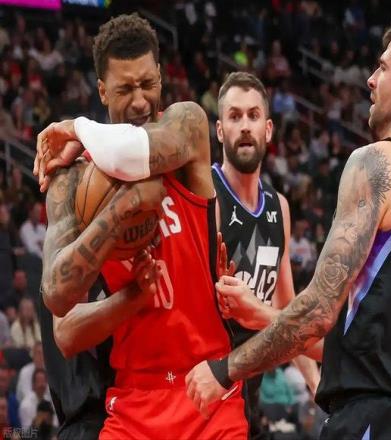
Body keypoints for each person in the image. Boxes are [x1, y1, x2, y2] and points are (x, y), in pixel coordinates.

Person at [186, 20, 391, 439]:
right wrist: (263, 314)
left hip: (373, 414)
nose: (370, 79)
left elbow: (318, 312)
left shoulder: (378, 161)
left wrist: (225, 370)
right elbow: (389, 347)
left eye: (383, 67)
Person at [35, 13, 247, 440]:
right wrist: (121, 214)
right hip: (134, 401)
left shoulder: (186, 125)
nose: (139, 101)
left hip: (209, 388)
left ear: (162, 78)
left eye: (148, 84)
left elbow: (137, 152)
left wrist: (77, 128)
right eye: (124, 89)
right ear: (102, 90)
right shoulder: (72, 180)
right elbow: (58, 301)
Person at [211, 71, 320, 439]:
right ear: (220, 131)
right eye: (235, 116)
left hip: (248, 393)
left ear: (268, 129)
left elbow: (286, 308)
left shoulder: (279, 207)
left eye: (253, 116)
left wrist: (315, 382)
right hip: (206, 387)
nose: (245, 125)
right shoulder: (208, 197)